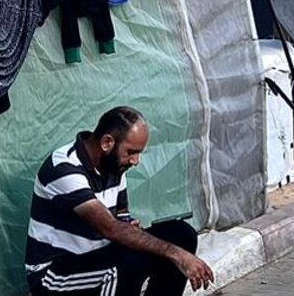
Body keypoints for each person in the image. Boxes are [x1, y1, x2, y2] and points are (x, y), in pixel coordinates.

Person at [23, 106, 212, 295]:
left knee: (181, 235)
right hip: (54, 276)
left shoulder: (114, 167)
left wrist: (129, 225)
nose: (135, 161)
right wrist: (177, 255)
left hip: (96, 258)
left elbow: (121, 220)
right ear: (107, 143)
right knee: (130, 262)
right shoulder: (64, 168)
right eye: (131, 152)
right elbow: (110, 228)